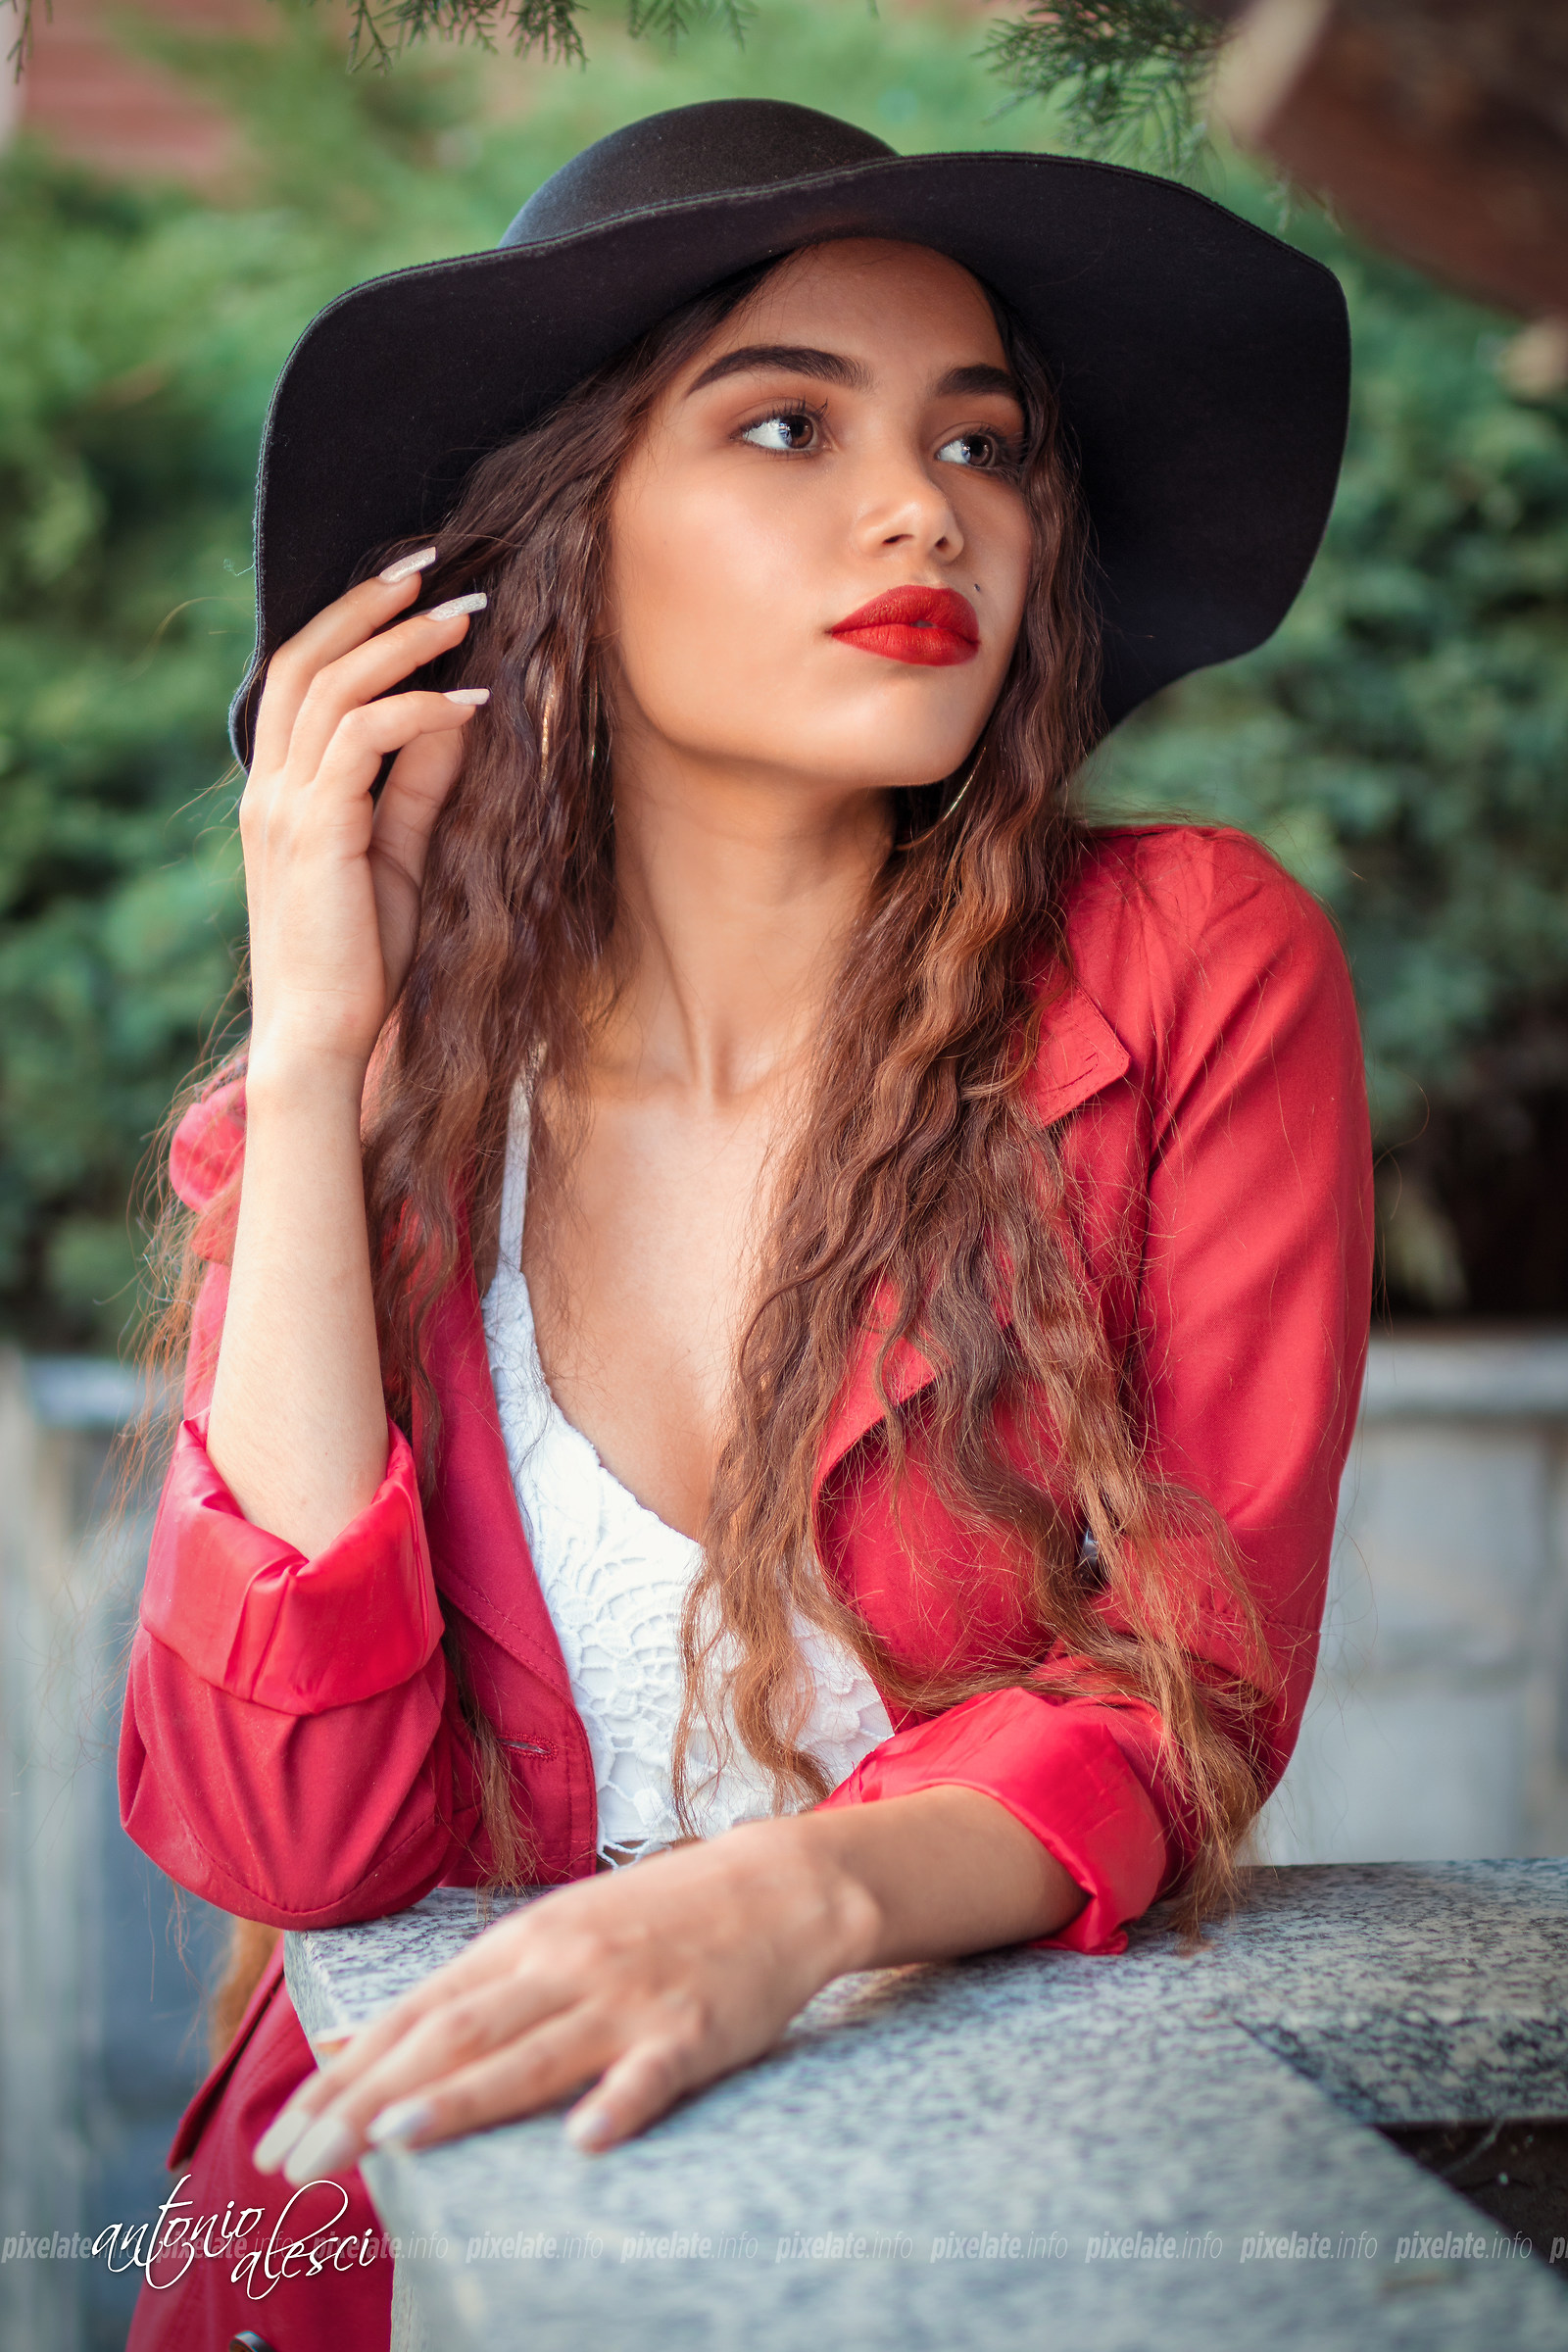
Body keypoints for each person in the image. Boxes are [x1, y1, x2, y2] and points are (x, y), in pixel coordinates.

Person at [120, 98, 1371, 2352]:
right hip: (390, 2237)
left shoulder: (1188, 969)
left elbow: (1184, 1677)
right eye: (783, 422)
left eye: (984, 446)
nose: (924, 509)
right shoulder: (367, 1116)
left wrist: (783, 1909)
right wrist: (316, 1063)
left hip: (969, 2204)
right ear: (549, 539)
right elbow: (291, 1829)